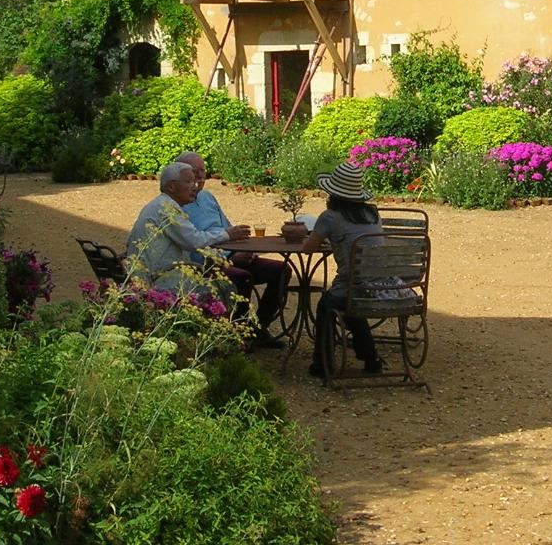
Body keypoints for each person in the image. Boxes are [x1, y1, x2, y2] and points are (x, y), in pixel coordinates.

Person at [176, 151, 291, 347]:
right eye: (195, 172)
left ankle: (258, 329)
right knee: (241, 276)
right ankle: (237, 334)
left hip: (231, 253)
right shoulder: (179, 205)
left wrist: (245, 248)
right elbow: (193, 247)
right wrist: (229, 258)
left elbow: (227, 228)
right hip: (207, 263)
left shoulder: (208, 197)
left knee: (281, 271)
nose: (200, 176)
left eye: (203, 170)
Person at [301, 162, 385, 376]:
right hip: (380, 286)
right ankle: (370, 357)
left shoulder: (330, 217)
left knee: (328, 304)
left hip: (353, 287)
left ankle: (322, 362)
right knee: (351, 305)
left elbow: (308, 249)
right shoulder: (372, 214)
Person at [124, 162, 249, 296]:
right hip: (158, 283)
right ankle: (240, 317)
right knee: (228, 288)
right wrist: (227, 234)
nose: (195, 187)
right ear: (171, 187)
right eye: (189, 182)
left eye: (194, 182)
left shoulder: (159, 204)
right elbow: (193, 241)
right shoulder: (167, 208)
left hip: (152, 276)